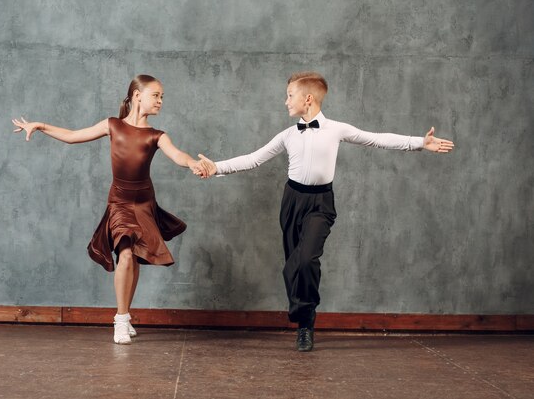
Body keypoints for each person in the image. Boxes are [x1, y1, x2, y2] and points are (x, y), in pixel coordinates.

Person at [194, 71, 454, 352]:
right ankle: (303, 314)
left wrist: (419, 142)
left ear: (308, 99)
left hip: (320, 204)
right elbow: (253, 159)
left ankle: (305, 323)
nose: (285, 101)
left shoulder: (337, 129)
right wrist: (216, 167)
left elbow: (377, 139)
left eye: (289, 95)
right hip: (292, 201)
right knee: (292, 265)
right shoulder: (287, 135)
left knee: (305, 261)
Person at [12, 74, 211, 344]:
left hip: (144, 204)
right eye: (156, 95)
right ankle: (120, 319)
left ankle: (126, 314)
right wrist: (40, 125)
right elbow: (72, 136)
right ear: (137, 96)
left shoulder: (156, 135)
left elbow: (177, 154)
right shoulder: (113, 125)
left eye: (163, 97)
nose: (161, 101)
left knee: (135, 257)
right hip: (119, 202)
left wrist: (192, 164)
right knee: (126, 254)